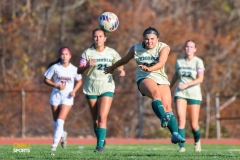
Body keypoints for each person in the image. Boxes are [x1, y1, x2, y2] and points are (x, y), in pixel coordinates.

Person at [104, 27, 185, 144]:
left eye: (152, 39)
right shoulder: (136, 48)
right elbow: (125, 60)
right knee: (155, 94)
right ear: (143, 39)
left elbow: (161, 63)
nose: (149, 41)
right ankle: (162, 118)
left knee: (168, 108)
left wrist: (149, 68)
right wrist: (113, 67)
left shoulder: (164, 47)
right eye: (147, 39)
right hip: (144, 78)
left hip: (160, 78)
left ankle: (175, 134)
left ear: (158, 39)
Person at [77, 28, 125, 153]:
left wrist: (120, 70)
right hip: (91, 88)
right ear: (93, 38)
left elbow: (119, 62)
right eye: (95, 36)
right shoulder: (87, 53)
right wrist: (88, 65)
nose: (98, 39)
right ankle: (102, 140)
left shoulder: (111, 52)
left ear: (105, 38)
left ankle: (99, 147)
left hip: (107, 87)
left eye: (100, 36)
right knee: (96, 121)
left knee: (102, 117)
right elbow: (79, 70)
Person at [44, 47, 82, 152]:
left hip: (67, 97)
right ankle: (63, 134)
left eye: (66, 54)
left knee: (60, 121)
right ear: (60, 56)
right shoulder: (55, 67)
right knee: (56, 122)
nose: (64, 56)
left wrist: (74, 90)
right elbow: (46, 79)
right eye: (62, 54)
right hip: (56, 96)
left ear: (70, 56)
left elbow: (79, 81)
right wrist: (56, 85)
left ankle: (53, 147)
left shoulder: (74, 69)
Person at [170, 40, 204, 152]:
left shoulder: (198, 62)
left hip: (194, 94)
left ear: (195, 49)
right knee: (181, 119)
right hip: (180, 94)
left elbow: (200, 79)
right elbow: (176, 75)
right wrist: (168, 87)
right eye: (187, 46)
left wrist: (187, 84)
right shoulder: (179, 61)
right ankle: (182, 146)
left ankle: (197, 142)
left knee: (194, 124)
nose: (189, 49)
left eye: (191, 47)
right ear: (184, 48)